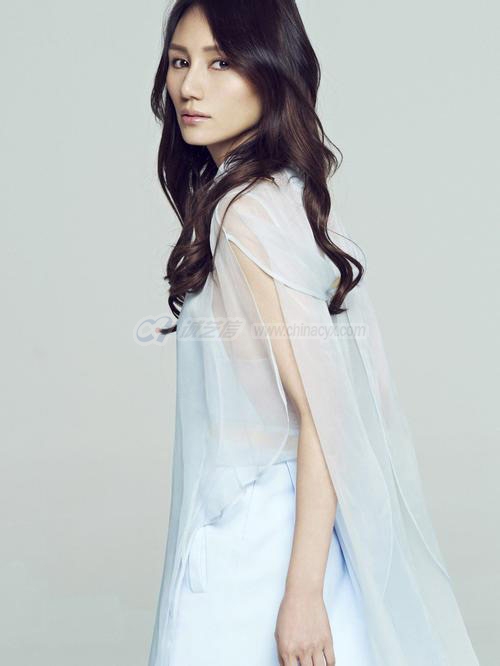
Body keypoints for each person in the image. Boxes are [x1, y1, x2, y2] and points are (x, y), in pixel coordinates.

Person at [147, 2, 481, 665]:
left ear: (272, 74)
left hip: (259, 546)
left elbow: (327, 415)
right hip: (283, 527)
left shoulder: (246, 214)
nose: (189, 86)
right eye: (180, 62)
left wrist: (301, 593)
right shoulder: (280, 195)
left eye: (221, 62)